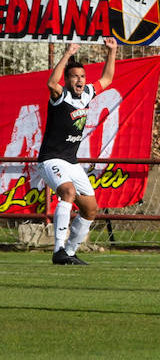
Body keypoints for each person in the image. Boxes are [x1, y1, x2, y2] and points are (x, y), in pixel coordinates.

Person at [40, 38, 117, 265]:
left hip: (72, 163)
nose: (80, 80)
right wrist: (67, 54)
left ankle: (70, 253)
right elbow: (51, 83)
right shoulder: (60, 95)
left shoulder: (86, 94)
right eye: (75, 76)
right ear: (68, 79)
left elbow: (107, 79)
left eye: (82, 76)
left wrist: (112, 51)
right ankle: (58, 250)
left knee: (91, 210)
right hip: (51, 159)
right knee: (67, 192)